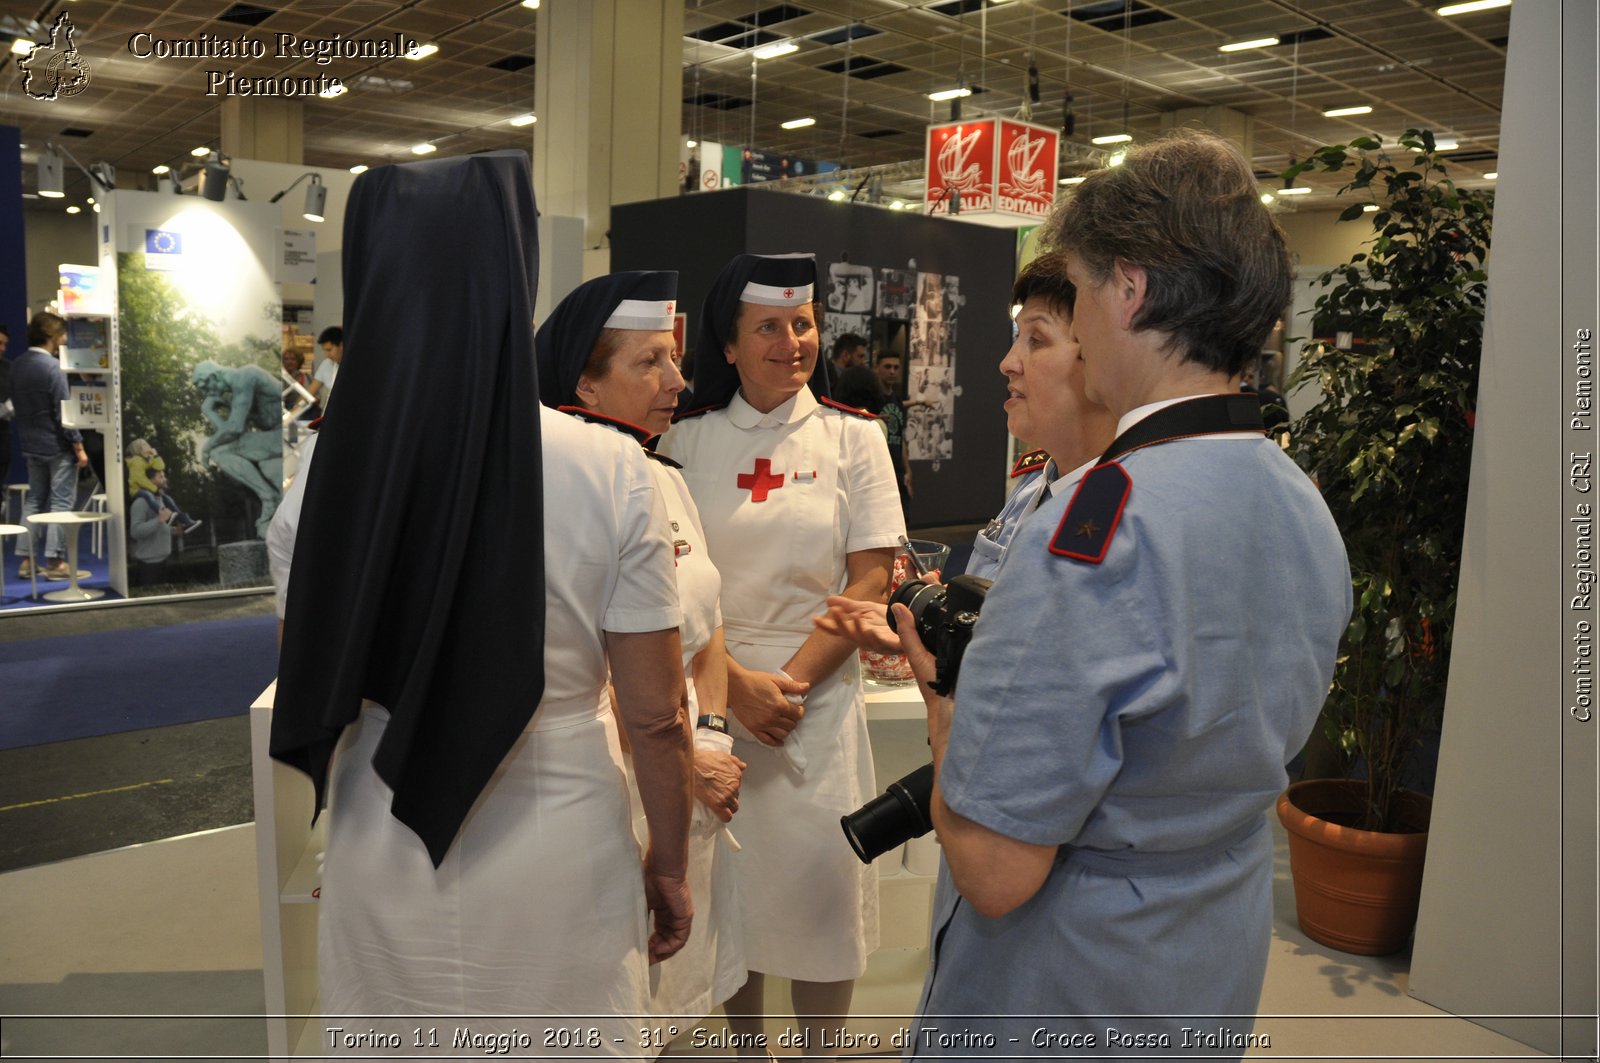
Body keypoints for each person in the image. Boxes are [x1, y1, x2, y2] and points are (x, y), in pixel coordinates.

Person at [889, 130, 1353, 1055]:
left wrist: (946, 699)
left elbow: (992, 865)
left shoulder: (1099, 526)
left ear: (1128, 290)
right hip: (1206, 949)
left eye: (1085, 291)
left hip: (1065, 981)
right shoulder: (1298, 500)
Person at [270, 151, 693, 1048]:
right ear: (518, 273)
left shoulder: (322, 478)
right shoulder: (613, 467)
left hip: (380, 828)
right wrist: (671, 861)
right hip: (561, 829)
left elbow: (311, 665)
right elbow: (656, 718)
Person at [658, 253, 905, 1060]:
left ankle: (822, 1052)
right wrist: (735, 692)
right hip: (717, 697)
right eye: (767, 327)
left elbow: (871, 572)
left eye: (801, 324)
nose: (791, 341)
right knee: (733, 894)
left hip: (812, 701)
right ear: (727, 345)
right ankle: (748, 1048)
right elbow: (668, 577)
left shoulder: (854, 437)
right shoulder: (685, 440)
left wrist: (786, 688)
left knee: (819, 898)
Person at [536, 269, 748, 1033]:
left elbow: (707, 618)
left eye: (674, 358)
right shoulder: (570, 494)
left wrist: (715, 732)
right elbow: (599, 663)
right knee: (625, 1015)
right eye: (649, 362)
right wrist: (689, 759)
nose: (678, 380)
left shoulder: (665, 476)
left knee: (688, 1007)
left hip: (691, 778)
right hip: (627, 783)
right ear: (585, 387)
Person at [11, 312, 89, 581]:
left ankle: (25, 561)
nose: (64, 339)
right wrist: (78, 446)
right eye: (61, 334)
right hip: (57, 446)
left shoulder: (17, 365)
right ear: (51, 336)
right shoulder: (52, 368)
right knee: (60, 503)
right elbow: (63, 412)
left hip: (31, 445)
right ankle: (55, 562)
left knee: (34, 500)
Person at [192, 359, 283, 537]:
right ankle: (269, 497)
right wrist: (209, 412)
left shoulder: (246, 375)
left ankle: (268, 497)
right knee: (222, 450)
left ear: (213, 377)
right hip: (275, 439)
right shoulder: (237, 393)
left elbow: (234, 428)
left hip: (290, 434)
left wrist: (206, 449)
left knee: (219, 451)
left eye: (204, 387)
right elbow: (229, 433)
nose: (206, 393)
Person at [125, 439, 200, 534]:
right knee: (148, 495)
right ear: (138, 449)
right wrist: (155, 489)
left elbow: (160, 467)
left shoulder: (147, 459)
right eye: (144, 444)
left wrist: (156, 456)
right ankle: (164, 514)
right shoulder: (136, 462)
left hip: (148, 489)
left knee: (167, 499)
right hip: (137, 490)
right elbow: (140, 479)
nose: (148, 445)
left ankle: (186, 521)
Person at [310, 326, 342, 408]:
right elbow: (309, 392)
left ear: (341, 346)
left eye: (329, 350)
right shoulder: (326, 364)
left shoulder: (355, 365)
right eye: (324, 350)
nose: (326, 355)